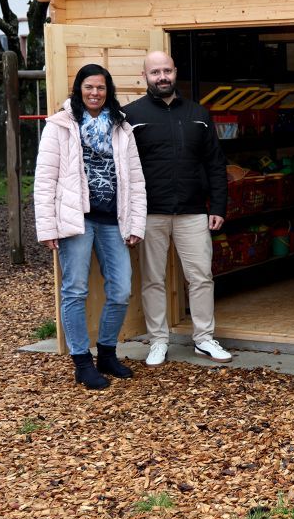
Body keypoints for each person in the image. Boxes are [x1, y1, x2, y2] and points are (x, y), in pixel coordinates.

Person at [34, 64, 146, 390]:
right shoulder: (60, 126)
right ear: (79, 90)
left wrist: (135, 221)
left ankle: (107, 354)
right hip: (76, 220)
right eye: (89, 87)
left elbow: (136, 181)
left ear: (108, 91)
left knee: (122, 289)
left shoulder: (122, 128)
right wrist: (47, 228)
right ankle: (82, 362)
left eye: (100, 88)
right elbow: (44, 180)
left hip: (114, 220)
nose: (94, 93)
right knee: (75, 290)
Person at [123, 51, 232, 366]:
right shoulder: (130, 116)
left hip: (193, 211)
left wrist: (219, 206)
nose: (162, 77)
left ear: (175, 72)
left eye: (167, 71)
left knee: (201, 277)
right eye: (155, 72)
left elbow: (215, 164)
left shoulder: (199, 113)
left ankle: (204, 339)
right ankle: (158, 341)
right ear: (145, 76)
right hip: (150, 213)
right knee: (153, 279)